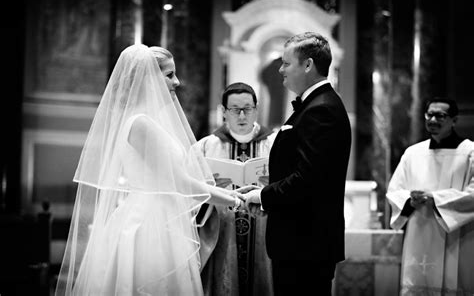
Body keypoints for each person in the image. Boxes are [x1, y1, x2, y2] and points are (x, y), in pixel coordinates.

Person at [54, 44, 255, 296]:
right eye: (169, 75)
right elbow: (181, 184)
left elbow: (176, 180)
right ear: (149, 78)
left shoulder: (148, 122)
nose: (177, 82)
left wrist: (230, 194)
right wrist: (236, 199)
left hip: (160, 215)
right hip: (150, 226)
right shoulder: (142, 125)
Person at [241, 32, 352, 295]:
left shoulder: (320, 110)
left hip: (306, 246)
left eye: (286, 63)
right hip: (302, 243)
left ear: (308, 65)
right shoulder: (314, 106)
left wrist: (263, 195)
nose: (280, 69)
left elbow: (308, 180)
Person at [194, 82, 276, 296]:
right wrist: (208, 190)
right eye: (234, 109)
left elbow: (293, 187)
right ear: (223, 112)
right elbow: (187, 194)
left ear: (256, 110)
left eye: (247, 109)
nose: (242, 116)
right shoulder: (205, 147)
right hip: (222, 237)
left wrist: (275, 186)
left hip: (265, 239)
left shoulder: (276, 145)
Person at [386, 97, 474, 295]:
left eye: (440, 115)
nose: (433, 120)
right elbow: (394, 191)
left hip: (460, 236)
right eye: (429, 115)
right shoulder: (413, 153)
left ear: (454, 120)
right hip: (420, 234)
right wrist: (410, 200)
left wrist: (436, 199)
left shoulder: (470, 152)